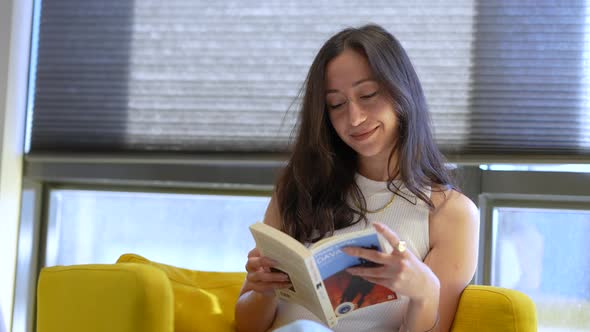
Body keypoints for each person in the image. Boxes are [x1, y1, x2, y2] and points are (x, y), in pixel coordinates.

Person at [235, 24, 479, 332]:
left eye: (368, 94)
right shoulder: (298, 187)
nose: (355, 118)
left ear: (401, 91)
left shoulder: (451, 214)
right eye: (336, 104)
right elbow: (246, 325)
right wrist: (262, 291)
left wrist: (425, 292)